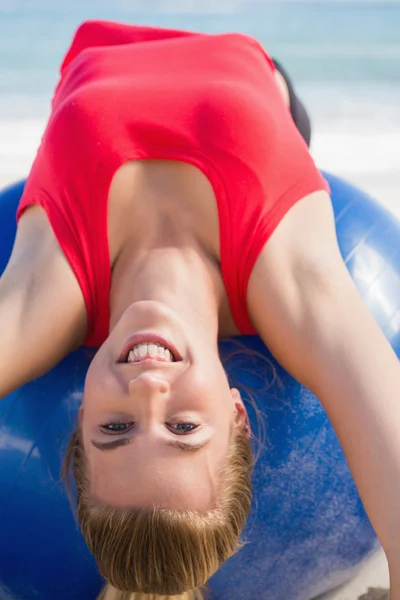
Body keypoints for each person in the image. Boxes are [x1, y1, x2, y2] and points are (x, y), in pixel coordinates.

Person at [1, 19, 400, 600]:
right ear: (239, 415)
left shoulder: (43, 298)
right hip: (263, 80)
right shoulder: (293, 284)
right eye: (183, 429)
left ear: (81, 415)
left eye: (115, 428)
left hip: (98, 45)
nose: (148, 391)